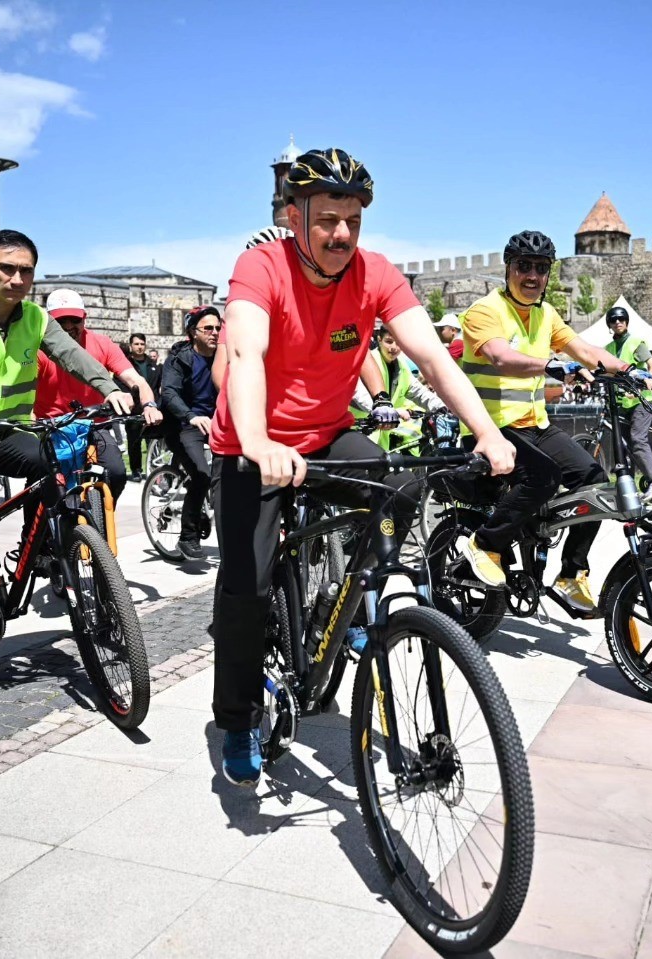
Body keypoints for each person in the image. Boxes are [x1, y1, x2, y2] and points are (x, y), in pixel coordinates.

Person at [210, 148, 515, 787]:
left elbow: (433, 357)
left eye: (351, 220)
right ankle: (237, 717)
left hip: (326, 435)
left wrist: (487, 432)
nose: (340, 234)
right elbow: (244, 353)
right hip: (251, 446)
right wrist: (261, 442)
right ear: (295, 219)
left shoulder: (375, 274)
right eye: (326, 219)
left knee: (400, 481)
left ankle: (349, 602)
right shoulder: (260, 267)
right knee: (246, 589)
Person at [0, 231, 136, 673]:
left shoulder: (36, 318)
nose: (16, 278)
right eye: (6, 268)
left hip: (3, 432)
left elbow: (72, 355)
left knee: (51, 464)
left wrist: (110, 389)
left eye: (25, 271)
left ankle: (46, 545)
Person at [457, 229, 647, 610]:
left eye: (541, 269)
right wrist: (550, 366)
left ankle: (570, 574)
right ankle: (484, 543)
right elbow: (499, 357)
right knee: (543, 477)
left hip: (534, 426)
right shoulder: (484, 312)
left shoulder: (546, 314)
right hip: (490, 429)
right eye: (524, 266)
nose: (532, 275)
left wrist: (629, 370)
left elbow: (584, 349)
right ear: (508, 268)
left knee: (594, 481)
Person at [32, 288, 162, 504]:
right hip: (51, 427)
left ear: (84, 318)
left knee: (116, 473)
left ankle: (97, 520)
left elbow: (135, 379)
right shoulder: (39, 350)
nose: (68, 327)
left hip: (95, 424)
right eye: (60, 321)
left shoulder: (102, 344)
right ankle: (35, 533)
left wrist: (149, 404)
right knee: (43, 486)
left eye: (74, 319)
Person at [158, 306, 221, 560]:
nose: (215, 333)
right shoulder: (180, 358)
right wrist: (191, 416)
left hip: (217, 423)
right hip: (184, 424)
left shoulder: (223, 356)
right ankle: (187, 537)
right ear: (193, 332)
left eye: (218, 328)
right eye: (208, 328)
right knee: (201, 476)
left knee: (234, 472)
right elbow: (169, 392)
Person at [351, 325, 445, 450]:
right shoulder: (368, 363)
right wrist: (387, 411)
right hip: (357, 434)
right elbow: (359, 394)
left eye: (398, 343)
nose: (394, 348)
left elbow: (420, 392)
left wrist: (444, 407)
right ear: (379, 340)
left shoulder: (402, 367)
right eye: (389, 342)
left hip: (381, 440)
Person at [602, 305, 652, 498]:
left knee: (637, 439)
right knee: (627, 445)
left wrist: (643, 385)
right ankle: (633, 488)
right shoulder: (608, 349)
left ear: (627, 321)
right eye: (613, 320)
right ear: (609, 325)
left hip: (640, 401)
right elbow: (603, 372)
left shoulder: (636, 343)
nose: (618, 322)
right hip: (621, 403)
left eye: (621, 319)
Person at [125, 332, 158, 479]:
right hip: (134, 411)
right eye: (136, 344)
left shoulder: (153, 365)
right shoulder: (126, 365)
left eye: (142, 344)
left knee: (153, 442)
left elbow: (156, 387)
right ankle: (136, 470)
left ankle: (155, 472)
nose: (139, 347)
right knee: (134, 442)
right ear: (131, 346)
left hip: (152, 409)